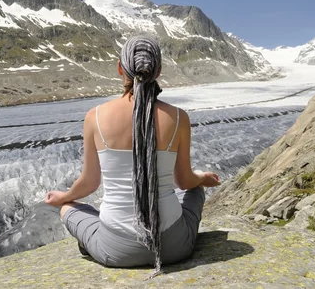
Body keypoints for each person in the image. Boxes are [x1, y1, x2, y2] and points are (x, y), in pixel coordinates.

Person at [45, 35, 221, 274]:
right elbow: (185, 182)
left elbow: (89, 183)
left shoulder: (95, 116)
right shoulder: (179, 117)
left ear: (120, 68)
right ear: (157, 71)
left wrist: (63, 197)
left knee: (68, 209)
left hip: (117, 250)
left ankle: (92, 241)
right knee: (195, 191)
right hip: (174, 248)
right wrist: (202, 178)